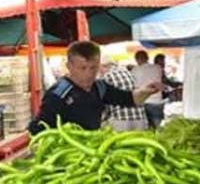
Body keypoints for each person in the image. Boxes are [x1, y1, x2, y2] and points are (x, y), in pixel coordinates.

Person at [29, 41, 159, 134]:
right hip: (69, 156)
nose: (89, 74)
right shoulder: (58, 94)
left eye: (93, 68)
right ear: (69, 66)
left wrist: (146, 91)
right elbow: (37, 128)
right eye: (83, 68)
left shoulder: (100, 87)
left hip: (93, 150)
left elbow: (129, 99)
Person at [100, 56, 147, 132]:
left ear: (103, 65)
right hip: (140, 117)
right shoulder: (128, 73)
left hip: (120, 119)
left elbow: (105, 103)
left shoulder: (106, 77)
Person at [133, 50, 164, 129]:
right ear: (147, 58)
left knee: (145, 128)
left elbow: (134, 86)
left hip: (142, 101)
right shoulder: (157, 67)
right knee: (158, 127)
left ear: (137, 59)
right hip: (156, 102)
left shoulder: (135, 70)